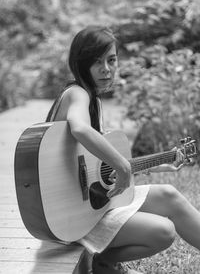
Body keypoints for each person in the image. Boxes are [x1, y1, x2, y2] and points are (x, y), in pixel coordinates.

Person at [46, 25, 200, 274]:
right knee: (163, 231)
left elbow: (100, 169)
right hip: (71, 217)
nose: (106, 69)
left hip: (87, 205)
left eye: (111, 60)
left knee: (169, 195)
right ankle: (103, 263)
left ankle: (104, 264)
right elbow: (80, 129)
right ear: (80, 63)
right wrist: (122, 165)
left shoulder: (92, 100)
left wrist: (153, 165)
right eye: (96, 62)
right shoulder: (77, 94)